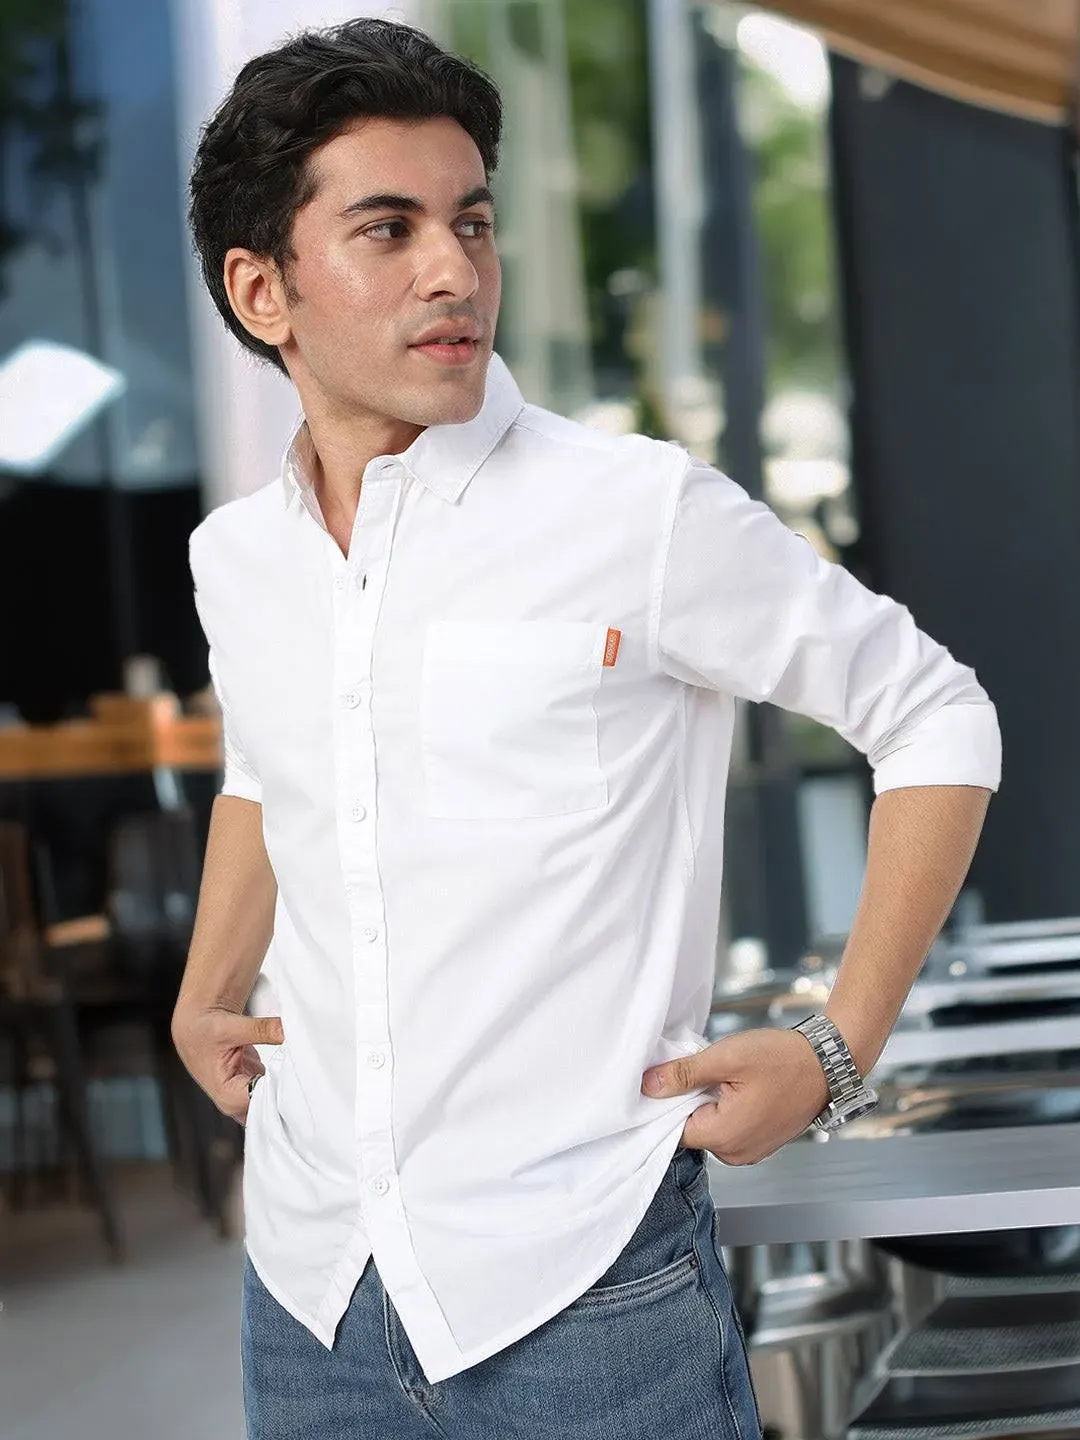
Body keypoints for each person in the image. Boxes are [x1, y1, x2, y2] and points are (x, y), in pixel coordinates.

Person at [173, 17, 1000, 1440]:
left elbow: (934, 712)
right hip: (311, 1294)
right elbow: (274, 761)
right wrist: (205, 986)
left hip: (587, 1292)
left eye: (472, 221)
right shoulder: (237, 557)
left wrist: (837, 1046)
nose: (454, 271)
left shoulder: (638, 513)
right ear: (264, 292)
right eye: (388, 230)